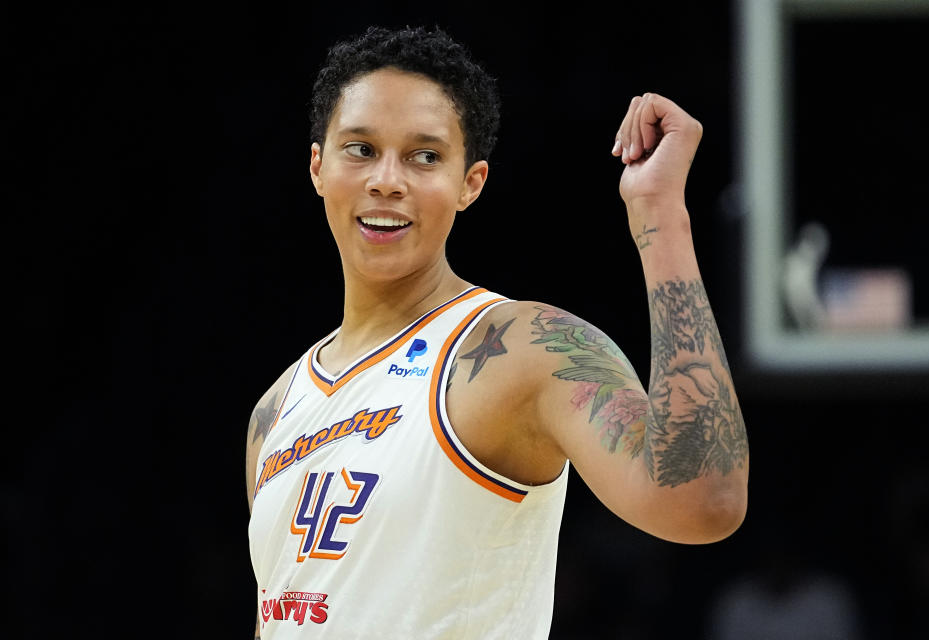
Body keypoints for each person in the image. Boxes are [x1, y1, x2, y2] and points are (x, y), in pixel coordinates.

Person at [245, 25, 748, 639]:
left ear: (470, 183)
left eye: (425, 156)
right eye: (360, 148)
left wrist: (661, 215)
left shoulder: (523, 347)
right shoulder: (274, 412)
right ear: (319, 167)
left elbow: (702, 501)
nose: (386, 180)